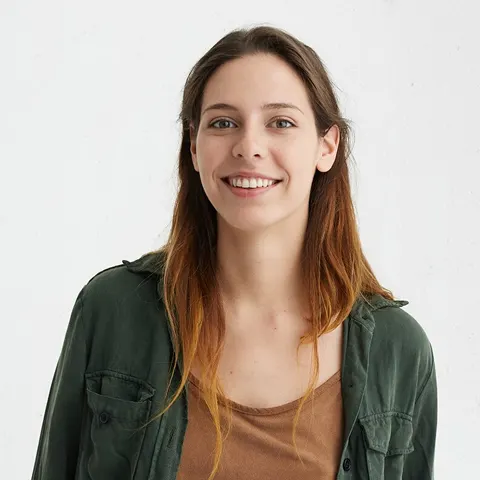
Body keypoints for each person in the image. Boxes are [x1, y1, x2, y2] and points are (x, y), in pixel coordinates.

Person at [31, 25, 437, 480]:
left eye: (280, 123)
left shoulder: (399, 350)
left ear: (327, 146)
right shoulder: (112, 310)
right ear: (194, 146)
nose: (248, 147)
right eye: (223, 123)